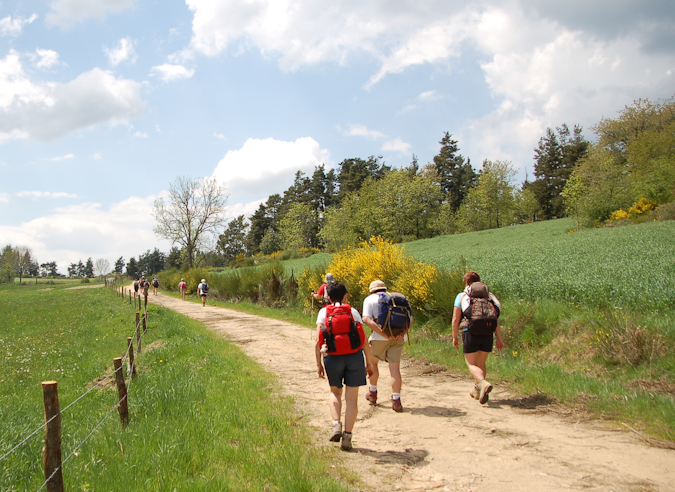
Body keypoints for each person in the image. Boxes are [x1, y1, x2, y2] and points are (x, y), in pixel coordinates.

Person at [316, 281, 374, 451]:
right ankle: (348, 436)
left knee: (335, 392)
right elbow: (363, 341)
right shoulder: (353, 311)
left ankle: (336, 424)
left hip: (332, 357)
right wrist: (369, 363)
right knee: (352, 399)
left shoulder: (323, 312)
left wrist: (318, 363)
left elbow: (318, 340)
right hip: (354, 357)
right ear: (346, 295)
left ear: (327, 297)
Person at [452, 271, 504, 404]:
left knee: (471, 364)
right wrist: (499, 338)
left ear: (466, 283)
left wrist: (454, 337)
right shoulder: (489, 296)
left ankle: (482, 383)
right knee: (481, 364)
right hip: (488, 332)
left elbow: (456, 318)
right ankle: (477, 390)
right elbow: (495, 318)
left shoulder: (462, 296)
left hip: (470, 332)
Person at [362, 280, 412, 412]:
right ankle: (396, 400)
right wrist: (402, 333)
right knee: (394, 368)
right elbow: (410, 319)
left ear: (371, 290)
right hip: (399, 337)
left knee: (373, 363)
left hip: (379, 337)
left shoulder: (369, 299)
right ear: (384, 289)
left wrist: (383, 334)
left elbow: (366, 319)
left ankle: (372, 394)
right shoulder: (397, 298)